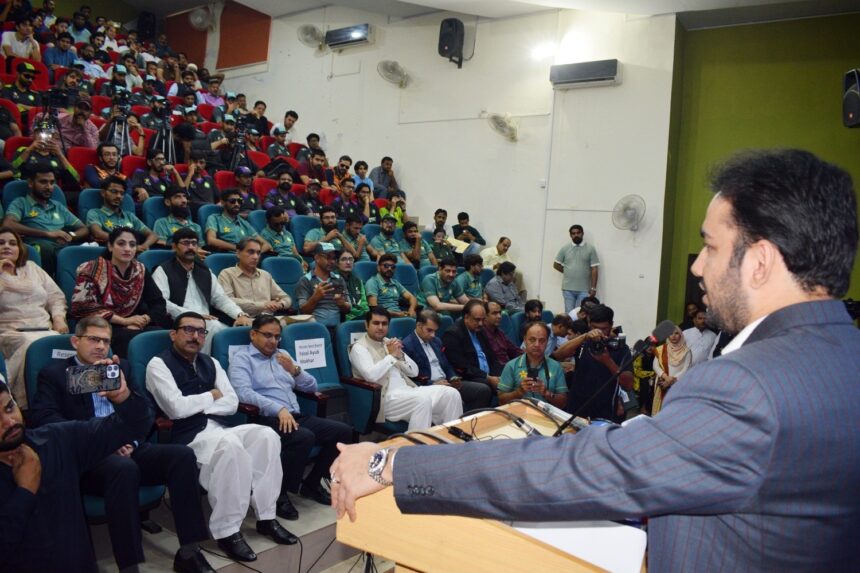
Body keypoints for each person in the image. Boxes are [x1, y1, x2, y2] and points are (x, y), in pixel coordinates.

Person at [331, 149, 860, 572]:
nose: (698, 266)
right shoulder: (841, 357)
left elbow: (590, 469)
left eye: (710, 247)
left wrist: (389, 462)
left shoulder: (747, 387)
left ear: (761, 262)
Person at [28, 316, 213, 573]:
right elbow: (45, 419)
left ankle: (189, 551)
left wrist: (132, 438)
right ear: (75, 341)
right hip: (88, 457)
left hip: (129, 445)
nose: (101, 347)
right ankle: (129, 565)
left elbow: (145, 412)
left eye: (106, 341)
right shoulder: (55, 374)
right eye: (93, 339)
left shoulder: (120, 368)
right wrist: (100, 439)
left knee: (182, 456)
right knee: (122, 470)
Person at [146, 312, 297, 563]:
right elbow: (175, 409)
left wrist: (201, 403)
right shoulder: (158, 364)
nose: (196, 336)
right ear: (174, 334)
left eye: (201, 331)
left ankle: (266, 517)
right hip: (187, 437)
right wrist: (212, 396)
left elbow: (231, 402)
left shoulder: (211, 362)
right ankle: (228, 531)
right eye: (189, 330)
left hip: (219, 428)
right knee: (231, 446)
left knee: (266, 435)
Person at [0, 352, 157, 571]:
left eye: (9, 408)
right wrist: (25, 492)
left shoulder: (55, 439)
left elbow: (134, 425)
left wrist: (122, 397)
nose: (9, 422)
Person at [229, 315, 354, 519]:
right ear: (253, 334)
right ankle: (280, 495)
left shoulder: (283, 355)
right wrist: (277, 409)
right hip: (264, 419)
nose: (273, 341)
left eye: (277, 337)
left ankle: (311, 484)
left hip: (295, 415)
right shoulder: (243, 358)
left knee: (343, 432)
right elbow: (242, 392)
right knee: (303, 437)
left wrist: (294, 371)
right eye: (267, 335)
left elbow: (311, 386)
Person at [349, 306, 462, 430]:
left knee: (451, 394)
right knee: (422, 401)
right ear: (366, 325)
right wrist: (392, 356)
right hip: (385, 399)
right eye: (376, 323)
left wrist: (400, 355)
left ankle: (452, 441)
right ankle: (415, 447)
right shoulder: (359, 348)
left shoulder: (389, 343)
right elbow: (371, 376)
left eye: (384, 324)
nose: (380, 327)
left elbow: (414, 372)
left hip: (408, 391)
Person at [71, 227, 170, 357]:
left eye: (132, 245)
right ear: (110, 246)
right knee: (128, 338)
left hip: (136, 324)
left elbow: (158, 303)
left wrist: (143, 320)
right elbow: (84, 307)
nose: (127, 249)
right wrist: (125, 322)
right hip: (102, 326)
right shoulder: (91, 269)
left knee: (161, 335)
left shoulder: (140, 270)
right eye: (121, 243)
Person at [152, 228, 253, 353]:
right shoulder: (163, 270)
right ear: (174, 246)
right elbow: (162, 303)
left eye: (194, 243)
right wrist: (193, 315)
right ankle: (201, 366)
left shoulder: (205, 271)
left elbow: (220, 298)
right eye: (185, 243)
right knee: (214, 328)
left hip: (207, 321)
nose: (191, 247)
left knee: (245, 328)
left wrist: (239, 314)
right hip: (179, 322)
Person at [0, 227, 67, 405]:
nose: (7, 246)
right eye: (1, 243)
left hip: (45, 328)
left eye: (12, 243)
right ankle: (27, 404)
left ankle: (64, 399)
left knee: (64, 343)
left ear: (20, 248)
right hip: (11, 332)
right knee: (32, 344)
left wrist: (59, 318)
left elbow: (55, 296)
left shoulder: (32, 268)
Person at [2, 163, 88, 276]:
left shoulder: (58, 206)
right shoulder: (21, 203)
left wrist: (70, 236)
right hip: (37, 246)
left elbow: (84, 228)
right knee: (46, 248)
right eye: (43, 182)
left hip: (62, 247)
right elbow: (8, 225)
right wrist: (47, 234)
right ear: (31, 183)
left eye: (52, 182)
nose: (49, 187)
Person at [402, 309, 492, 412]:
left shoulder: (436, 341)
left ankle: (469, 420)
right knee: (454, 397)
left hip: (448, 383)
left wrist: (453, 377)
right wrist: (433, 384)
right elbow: (412, 378)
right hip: (430, 388)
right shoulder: (407, 346)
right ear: (419, 325)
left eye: (435, 331)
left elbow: (447, 365)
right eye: (429, 330)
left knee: (483, 390)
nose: (433, 335)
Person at [497, 321, 567, 408]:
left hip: (546, 417)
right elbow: (501, 401)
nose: (537, 345)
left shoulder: (556, 367)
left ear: (547, 342)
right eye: (532, 340)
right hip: (518, 416)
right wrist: (518, 392)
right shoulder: (511, 366)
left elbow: (563, 403)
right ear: (525, 340)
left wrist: (546, 393)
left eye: (542, 341)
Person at [217, 237, 292, 318]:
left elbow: (286, 298)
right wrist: (263, 305)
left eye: (258, 253)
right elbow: (227, 301)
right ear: (238, 253)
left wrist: (280, 304)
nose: (256, 257)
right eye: (251, 252)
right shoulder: (227, 274)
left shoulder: (265, 275)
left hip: (269, 318)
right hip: (244, 319)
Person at [441, 300, 502, 391]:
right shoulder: (452, 334)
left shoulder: (480, 331)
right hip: (469, 377)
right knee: (485, 388)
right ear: (466, 317)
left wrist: (499, 375)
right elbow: (462, 367)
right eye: (477, 320)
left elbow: (492, 357)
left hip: (488, 375)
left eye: (483, 319)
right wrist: (488, 378)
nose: (481, 323)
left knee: (512, 376)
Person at [85, 176, 158, 249]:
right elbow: (98, 233)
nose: (119, 196)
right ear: (103, 193)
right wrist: (127, 243)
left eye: (122, 193)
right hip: (108, 253)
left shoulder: (129, 216)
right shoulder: (95, 213)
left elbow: (153, 235)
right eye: (114, 192)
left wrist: (144, 246)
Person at [295, 242, 351, 333]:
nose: (332, 261)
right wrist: (315, 298)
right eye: (328, 257)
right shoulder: (305, 280)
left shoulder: (339, 279)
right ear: (317, 258)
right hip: (314, 330)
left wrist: (342, 304)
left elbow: (348, 308)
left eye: (334, 258)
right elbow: (303, 311)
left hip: (337, 330)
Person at [205, 188, 272, 253]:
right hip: (227, 256)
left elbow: (267, 245)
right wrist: (238, 249)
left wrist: (256, 254)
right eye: (232, 201)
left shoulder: (244, 222)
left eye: (239, 201)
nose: (237, 204)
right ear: (223, 202)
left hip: (245, 257)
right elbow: (211, 240)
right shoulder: (214, 218)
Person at [553, 224, 600, 314]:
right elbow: (556, 264)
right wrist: (567, 271)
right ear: (570, 235)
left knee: (581, 314)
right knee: (569, 314)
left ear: (582, 234)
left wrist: (593, 288)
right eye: (573, 233)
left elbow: (594, 268)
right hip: (567, 289)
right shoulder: (565, 248)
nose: (576, 235)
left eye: (578, 233)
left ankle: (578, 328)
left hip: (584, 289)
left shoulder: (590, 249)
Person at [651, 325, 692, 415]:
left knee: (674, 411)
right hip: (662, 383)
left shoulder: (687, 351)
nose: (673, 336)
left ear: (681, 335)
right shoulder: (661, 349)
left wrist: (672, 380)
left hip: (678, 384)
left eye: (676, 333)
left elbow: (686, 368)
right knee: (660, 410)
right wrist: (665, 377)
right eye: (671, 333)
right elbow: (655, 365)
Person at [365, 253, 418, 317]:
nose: (390, 269)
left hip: (399, 317)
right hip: (383, 318)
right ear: (378, 267)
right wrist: (397, 314)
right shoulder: (372, 282)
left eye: (393, 267)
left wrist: (411, 310)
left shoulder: (395, 282)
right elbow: (374, 308)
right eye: (386, 266)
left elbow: (412, 298)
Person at [481, 300, 523, 366]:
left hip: (507, 367)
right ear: (485, 316)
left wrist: (527, 356)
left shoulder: (500, 332)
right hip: (495, 371)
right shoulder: (480, 334)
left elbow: (514, 350)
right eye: (494, 313)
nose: (499, 316)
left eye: (500, 313)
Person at [337, 249, 369, 321]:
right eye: (344, 259)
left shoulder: (358, 281)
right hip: (346, 319)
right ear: (337, 263)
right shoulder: (334, 280)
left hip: (361, 316)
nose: (348, 262)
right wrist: (359, 312)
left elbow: (364, 304)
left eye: (351, 259)